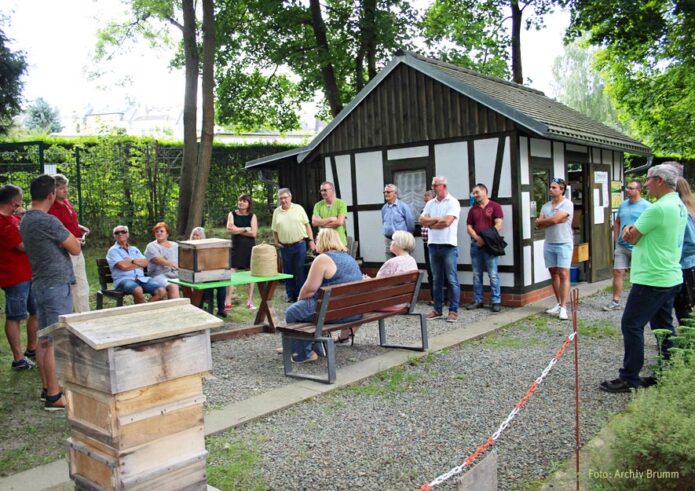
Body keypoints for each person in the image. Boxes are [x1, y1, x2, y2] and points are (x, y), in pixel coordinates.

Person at [600, 164, 687, 393]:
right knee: (663, 326)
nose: (645, 184)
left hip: (652, 277)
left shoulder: (656, 209)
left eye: (648, 180)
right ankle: (668, 370)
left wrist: (629, 228)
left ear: (659, 180)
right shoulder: (678, 204)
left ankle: (629, 378)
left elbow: (632, 237)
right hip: (670, 275)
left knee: (631, 324)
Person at [20, 174, 82, 410]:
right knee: (55, 340)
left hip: (41, 284)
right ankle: (55, 396)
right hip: (56, 286)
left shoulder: (26, 220)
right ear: (50, 195)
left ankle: (48, 388)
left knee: (44, 340)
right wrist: (70, 240)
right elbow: (75, 248)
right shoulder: (48, 221)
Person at [283, 228, 362, 363]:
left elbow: (309, 289)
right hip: (353, 311)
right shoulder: (349, 258)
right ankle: (306, 345)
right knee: (307, 310)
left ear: (321, 241)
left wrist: (299, 301)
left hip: (332, 311)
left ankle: (304, 354)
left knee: (293, 312)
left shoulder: (323, 259)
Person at [0, 184, 38, 371]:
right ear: (14, 201)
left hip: (28, 273)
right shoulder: (2, 222)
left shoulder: (13, 218)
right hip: (14, 277)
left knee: (35, 311)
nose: (22, 203)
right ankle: (18, 358)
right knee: (15, 316)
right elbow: (22, 245)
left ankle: (32, 348)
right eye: (21, 199)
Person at [603, 181, 650, 311]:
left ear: (638, 190)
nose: (627, 190)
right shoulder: (623, 205)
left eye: (631, 188)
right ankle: (615, 301)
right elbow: (617, 222)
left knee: (639, 274)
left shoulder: (647, 206)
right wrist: (618, 237)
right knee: (618, 272)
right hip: (622, 246)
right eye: (627, 188)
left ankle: (640, 302)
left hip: (638, 245)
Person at [419, 176, 461, 323]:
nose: (433, 188)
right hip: (433, 244)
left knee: (451, 279)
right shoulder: (430, 203)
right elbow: (421, 220)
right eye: (433, 186)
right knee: (436, 279)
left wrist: (430, 222)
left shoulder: (453, 202)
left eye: (435, 185)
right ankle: (437, 309)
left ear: (443, 186)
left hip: (449, 245)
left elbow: (447, 222)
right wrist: (436, 220)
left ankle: (453, 311)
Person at [48, 174, 91, 312]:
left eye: (66, 187)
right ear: (53, 191)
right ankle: (68, 316)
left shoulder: (67, 202)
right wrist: (71, 240)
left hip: (77, 248)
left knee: (82, 285)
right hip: (63, 251)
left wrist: (79, 227)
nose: (65, 190)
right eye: (61, 188)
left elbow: (70, 223)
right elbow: (55, 231)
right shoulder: (51, 208)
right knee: (68, 286)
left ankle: (84, 315)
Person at [535, 178, 573, 321]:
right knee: (554, 273)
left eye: (554, 187)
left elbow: (555, 220)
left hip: (564, 242)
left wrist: (548, 221)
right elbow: (539, 224)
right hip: (549, 243)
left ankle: (564, 307)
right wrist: (549, 221)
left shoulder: (567, 204)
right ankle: (558, 303)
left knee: (564, 273)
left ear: (562, 189)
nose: (551, 189)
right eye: (550, 187)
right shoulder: (545, 206)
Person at [271, 188, 316, 303]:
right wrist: (276, 242)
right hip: (284, 247)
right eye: (281, 198)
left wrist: (311, 241)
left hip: (299, 244)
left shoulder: (298, 208)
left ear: (290, 197)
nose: (283, 200)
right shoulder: (277, 212)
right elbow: (274, 230)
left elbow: (307, 226)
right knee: (287, 272)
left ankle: (301, 295)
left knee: (300, 270)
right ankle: (290, 295)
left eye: (285, 197)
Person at [466, 183, 504, 312]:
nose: (475, 195)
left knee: (493, 274)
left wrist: (486, 238)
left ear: (484, 191)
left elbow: (498, 224)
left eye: (477, 192)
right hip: (475, 244)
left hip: (490, 245)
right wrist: (477, 238)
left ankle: (496, 301)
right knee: (477, 274)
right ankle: (478, 300)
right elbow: (469, 227)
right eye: (474, 193)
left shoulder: (495, 206)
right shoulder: (473, 209)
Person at [106, 225, 166, 304]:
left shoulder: (134, 249)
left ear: (127, 234)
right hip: (124, 280)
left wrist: (132, 261)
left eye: (123, 232)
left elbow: (145, 263)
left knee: (161, 291)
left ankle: (144, 309)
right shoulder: (113, 251)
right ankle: (142, 313)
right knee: (138, 290)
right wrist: (138, 264)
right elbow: (122, 266)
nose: (120, 234)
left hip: (141, 279)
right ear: (114, 236)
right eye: (117, 233)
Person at [225, 194, 257, 311]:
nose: (241, 203)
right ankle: (227, 301)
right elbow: (229, 229)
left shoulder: (252, 216)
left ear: (249, 203)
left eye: (244, 201)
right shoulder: (231, 214)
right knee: (231, 274)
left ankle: (249, 301)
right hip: (235, 247)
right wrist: (244, 229)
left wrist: (237, 230)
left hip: (249, 248)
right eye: (240, 200)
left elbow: (253, 233)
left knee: (250, 274)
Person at [189, 227, 227, 317]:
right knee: (208, 286)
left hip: (206, 272)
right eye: (193, 234)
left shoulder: (206, 247)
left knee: (222, 285)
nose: (194, 236)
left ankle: (221, 309)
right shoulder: (188, 246)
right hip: (194, 273)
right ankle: (209, 310)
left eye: (197, 235)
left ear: (202, 237)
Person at [674, 177, 695, 325]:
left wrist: (675, 256)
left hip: (685, 265)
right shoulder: (690, 206)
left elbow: (691, 243)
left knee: (684, 305)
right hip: (689, 263)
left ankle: (687, 341)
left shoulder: (684, 211)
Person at [144, 222, 179, 299]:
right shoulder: (151, 246)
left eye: (161, 231)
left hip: (176, 274)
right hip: (159, 275)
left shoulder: (175, 245)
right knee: (173, 286)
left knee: (190, 285)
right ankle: (176, 310)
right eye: (157, 232)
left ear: (167, 234)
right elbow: (156, 259)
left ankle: (195, 307)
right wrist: (172, 264)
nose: (159, 233)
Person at [381, 184, 415, 258]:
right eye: (385, 192)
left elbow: (410, 224)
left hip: (401, 241)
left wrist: (406, 238)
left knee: (403, 262)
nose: (386, 194)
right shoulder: (384, 208)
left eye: (388, 192)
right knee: (390, 263)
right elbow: (384, 222)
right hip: (388, 240)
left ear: (395, 193)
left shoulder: (403, 206)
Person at [312, 181, 348, 246]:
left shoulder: (341, 203)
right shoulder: (317, 205)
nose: (323, 193)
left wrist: (321, 224)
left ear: (332, 190)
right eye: (321, 190)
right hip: (324, 243)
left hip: (339, 242)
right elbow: (314, 223)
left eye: (325, 190)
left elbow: (339, 222)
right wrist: (331, 219)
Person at [420, 190, 435, 297]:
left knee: (437, 270)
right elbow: (420, 220)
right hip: (426, 244)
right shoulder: (424, 210)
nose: (424, 199)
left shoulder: (435, 210)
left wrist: (427, 221)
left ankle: (443, 297)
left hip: (435, 243)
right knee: (429, 270)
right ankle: (433, 296)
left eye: (427, 196)